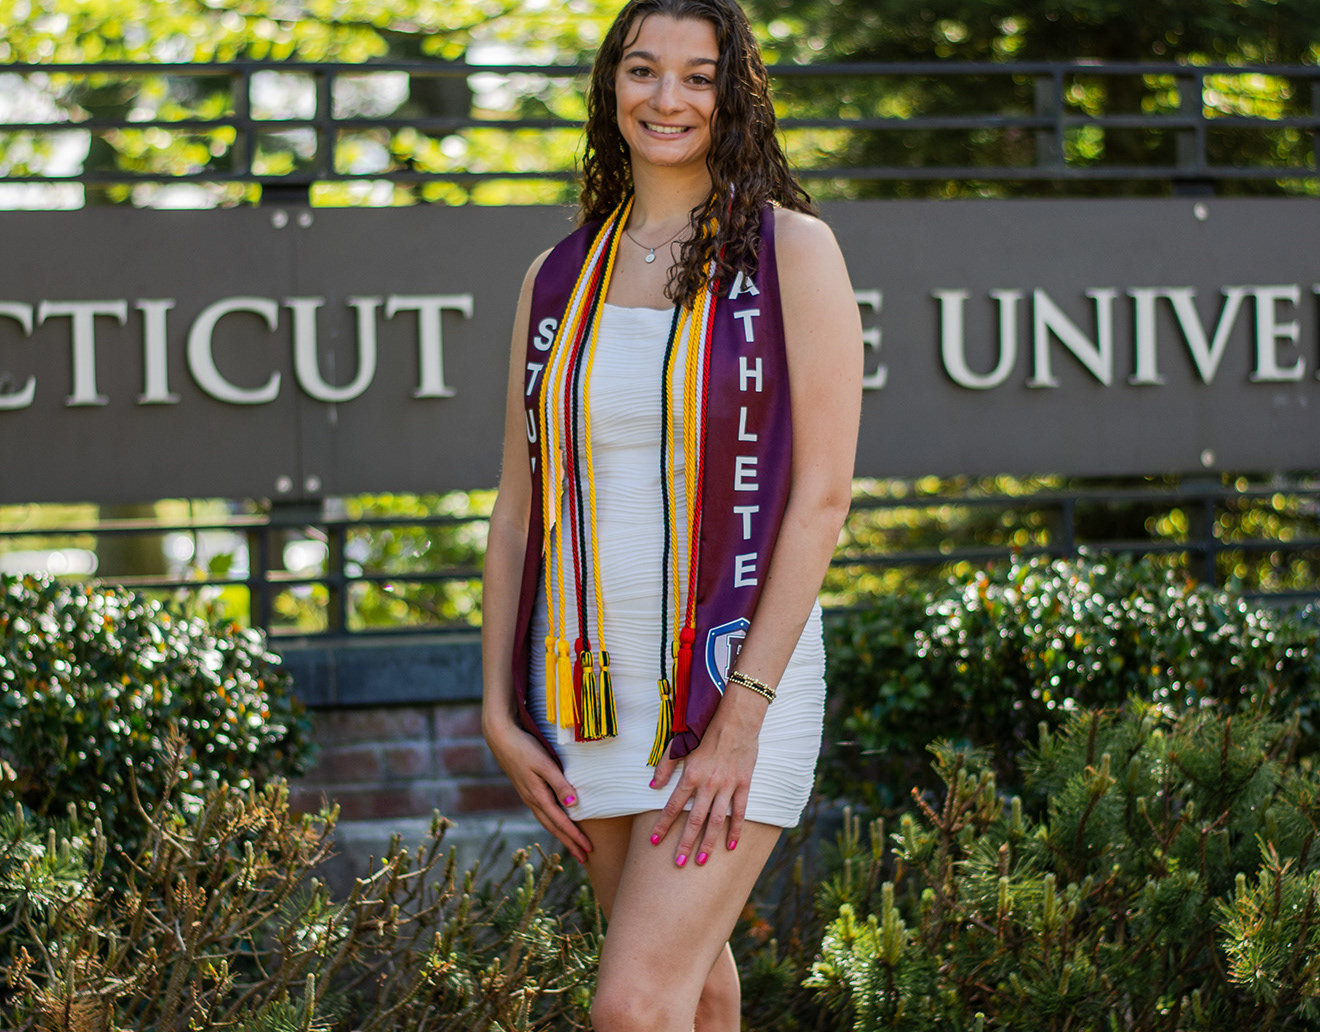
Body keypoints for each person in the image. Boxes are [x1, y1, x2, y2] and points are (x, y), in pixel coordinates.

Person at [480, 0, 862, 1028]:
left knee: (632, 1005)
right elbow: (519, 509)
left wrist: (741, 717)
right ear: (612, 84)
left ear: (735, 96)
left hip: (733, 679)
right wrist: (497, 710)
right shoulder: (558, 279)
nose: (669, 98)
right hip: (588, 694)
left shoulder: (790, 254)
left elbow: (822, 498)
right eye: (644, 69)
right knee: (692, 998)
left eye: (699, 77)